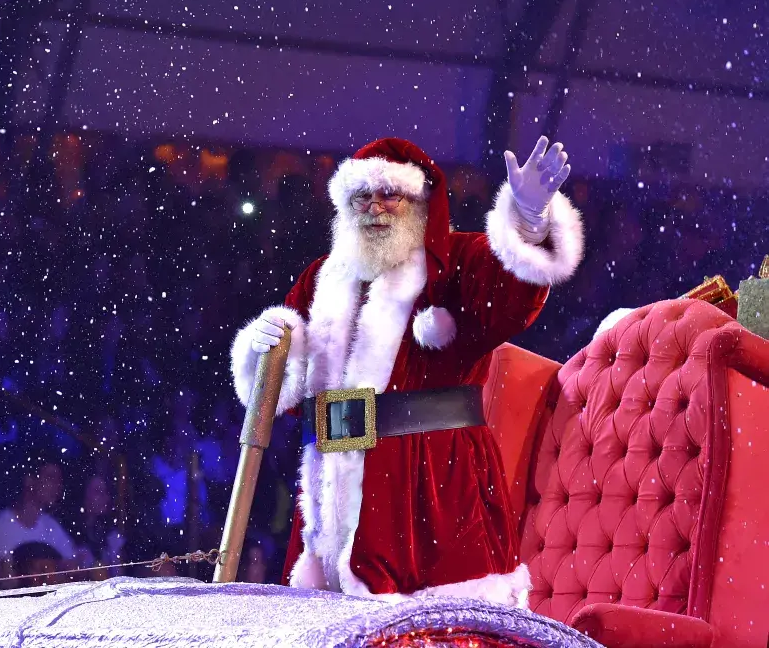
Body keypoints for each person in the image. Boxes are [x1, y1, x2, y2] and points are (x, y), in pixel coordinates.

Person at [229, 137, 584, 607]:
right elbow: (285, 390)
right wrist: (263, 350)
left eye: (389, 195)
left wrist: (528, 221)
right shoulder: (322, 278)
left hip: (432, 482)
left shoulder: (454, 263)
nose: (375, 207)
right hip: (330, 487)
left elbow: (511, 292)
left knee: (440, 626)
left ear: (419, 203)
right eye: (362, 197)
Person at [0, 462, 76, 578]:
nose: (58, 485)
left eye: (59, 480)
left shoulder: (53, 526)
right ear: (29, 480)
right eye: (50, 478)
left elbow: (72, 569)